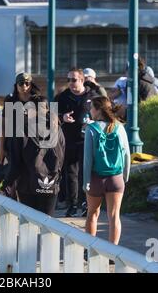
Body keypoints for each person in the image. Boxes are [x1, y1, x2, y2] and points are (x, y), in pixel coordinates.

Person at [3, 99, 65, 216]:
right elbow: (61, 158)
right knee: (48, 225)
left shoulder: (21, 129)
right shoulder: (57, 128)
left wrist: (7, 183)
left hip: (27, 185)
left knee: (28, 225)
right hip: (51, 183)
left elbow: (15, 163)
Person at [83, 96, 130, 245]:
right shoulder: (119, 127)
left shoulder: (91, 128)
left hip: (96, 178)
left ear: (97, 110)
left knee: (92, 214)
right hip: (116, 178)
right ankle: (112, 252)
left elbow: (88, 159)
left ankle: (90, 248)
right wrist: (125, 176)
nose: (90, 111)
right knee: (114, 216)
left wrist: (86, 181)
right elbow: (126, 153)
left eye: (91, 108)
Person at [55, 68, 99, 217]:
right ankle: (72, 205)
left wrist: (93, 122)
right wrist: (62, 118)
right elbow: (49, 116)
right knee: (70, 174)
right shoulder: (62, 97)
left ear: (82, 80)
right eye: (68, 80)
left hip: (87, 140)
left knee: (85, 173)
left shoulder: (92, 96)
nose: (70, 83)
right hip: (68, 141)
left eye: (73, 80)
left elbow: (102, 114)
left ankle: (86, 203)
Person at [0, 72, 43, 169]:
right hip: (14, 144)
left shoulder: (38, 100)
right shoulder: (10, 100)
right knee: (12, 175)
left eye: (27, 83)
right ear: (16, 85)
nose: (24, 86)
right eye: (21, 83)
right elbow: (4, 125)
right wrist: (1, 148)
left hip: (33, 144)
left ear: (31, 85)